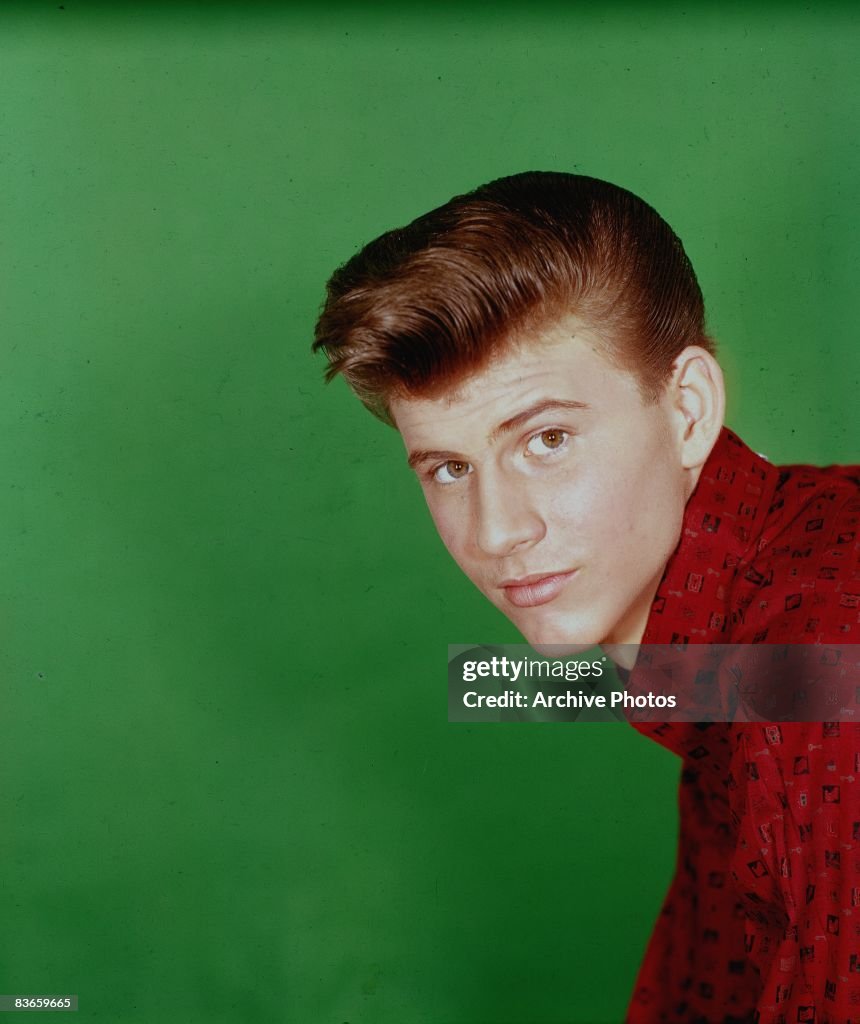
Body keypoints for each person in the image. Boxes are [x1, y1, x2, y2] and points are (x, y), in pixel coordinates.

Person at [311, 171, 860, 1024]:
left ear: (687, 411)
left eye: (547, 439)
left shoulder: (819, 677)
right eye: (450, 468)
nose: (496, 533)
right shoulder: (734, 661)